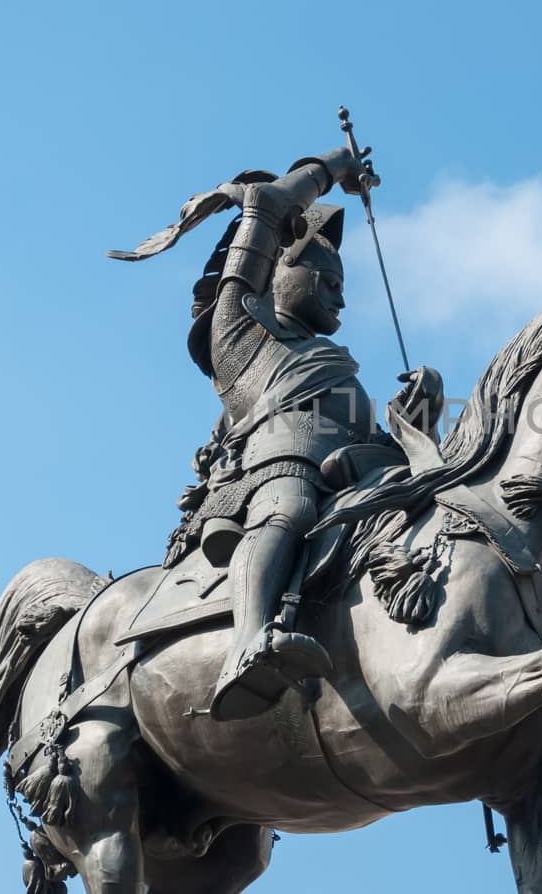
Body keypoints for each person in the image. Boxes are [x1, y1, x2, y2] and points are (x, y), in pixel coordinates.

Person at [169, 149, 437, 720]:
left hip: (349, 475)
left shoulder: (332, 364)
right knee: (286, 509)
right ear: (284, 273)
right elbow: (267, 204)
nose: (340, 296)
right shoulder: (241, 335)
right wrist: (331, 165)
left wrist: (419, 418)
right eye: (328, 280)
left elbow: (387, 448)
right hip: (276, 468)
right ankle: (246, 644)